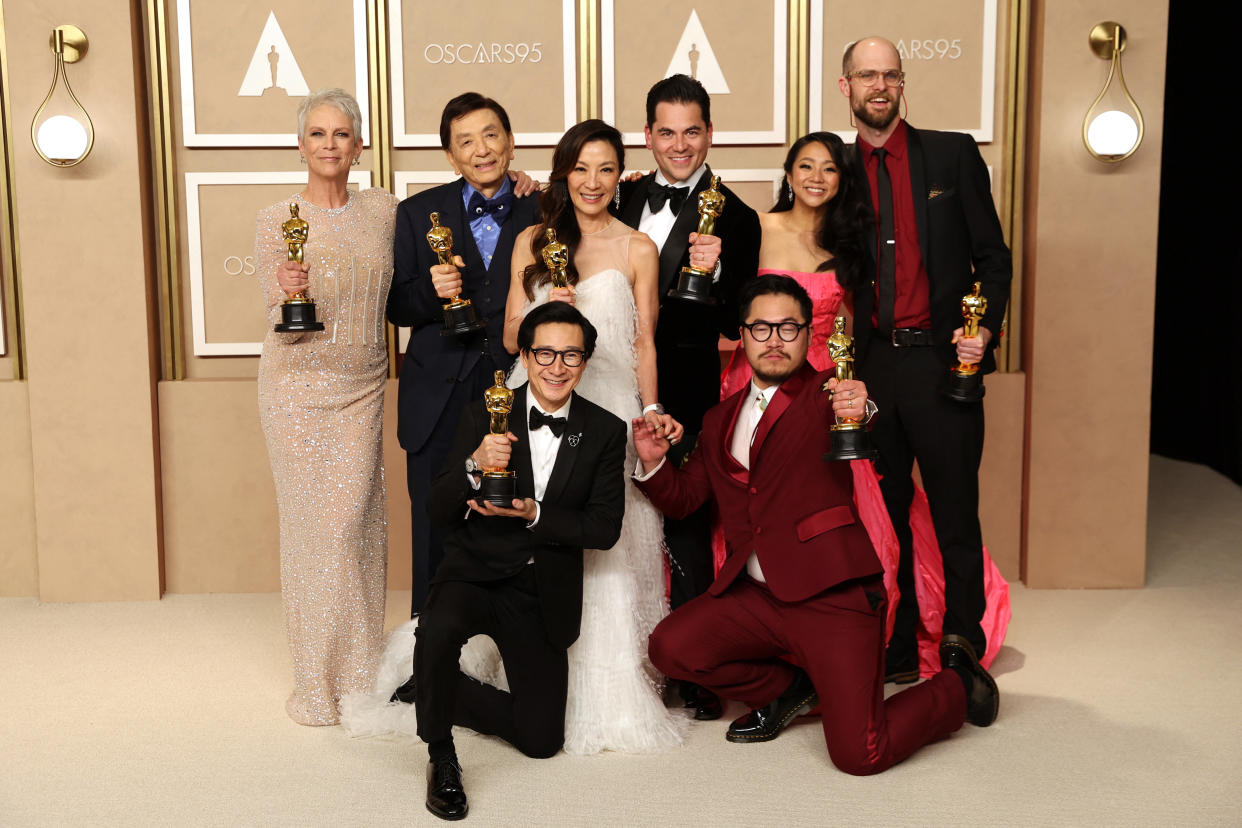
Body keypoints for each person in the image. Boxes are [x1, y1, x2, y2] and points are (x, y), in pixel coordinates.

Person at [634, 274, 999, 776]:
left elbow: (859, 414)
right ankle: (791, 689)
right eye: (761, 328)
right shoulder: (718, 419)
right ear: (741, 334)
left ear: (810, 335)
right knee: (671, 647)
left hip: (835, 599)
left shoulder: (827, 394)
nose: (775, 340)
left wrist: (861, 407)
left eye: (789, 327)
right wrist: (653, 463)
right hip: (757, 600)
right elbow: (685, 501)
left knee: (860, 756)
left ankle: (960, 687)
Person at [488, 119, 686, 755]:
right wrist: (552, 313)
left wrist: (651, 409)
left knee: (607, 543)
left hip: (609, 405)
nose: (592, 183)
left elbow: (644, 340)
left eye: (606, 170)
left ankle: (608, 684)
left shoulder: (637, 249)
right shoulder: (532, 242)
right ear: (563, 174)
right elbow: (508, 334)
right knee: (535, 531)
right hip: (540, 394)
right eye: (580, 169)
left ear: (619, 175)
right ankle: (532, 669)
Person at [838, 37, 1012, 679]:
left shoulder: (951, 152)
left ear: (901, 83)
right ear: (845, 86)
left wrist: (985, 329)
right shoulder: (832, 166)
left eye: (890, 75)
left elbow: (994, 259)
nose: (878, 86)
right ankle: (899, 646)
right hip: (871, 369)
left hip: (943, 366)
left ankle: (964, 647)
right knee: (885, 519)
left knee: (953, 512)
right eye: (866, 75)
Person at [415, 301, 627, 820]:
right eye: (545, 353)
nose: (557, 367)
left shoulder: (604, 430)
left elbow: (603, 529)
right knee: (437, 632)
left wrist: (537, 513)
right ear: (526, 357)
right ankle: (440, 751)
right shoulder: (486, 410)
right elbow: (439, 508)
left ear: (585, 361)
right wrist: (473, 465)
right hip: (474, 570)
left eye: (571, 355)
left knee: (541, 741)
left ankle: (437, 688)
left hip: (539, 588)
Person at [617, 74, 761, 720]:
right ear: (647, 135)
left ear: (710, 134)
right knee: (608, 521)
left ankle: (697, 666)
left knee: (687, 528)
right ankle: (616, 659)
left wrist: (721, 266)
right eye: (666, 132)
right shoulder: (615, 197)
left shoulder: (738, 216)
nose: (679, 146)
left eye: (692, 132)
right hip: (605, 380)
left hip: (685, 391)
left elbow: (738, 323)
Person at [256, 88, 397, 726]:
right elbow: (274, 307)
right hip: (294, 389)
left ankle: (360, 671)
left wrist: (529, 184)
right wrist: (283, 287)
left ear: (359, 145)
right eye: (318, 134)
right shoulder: (273, 220)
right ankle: (315, 676)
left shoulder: (387, 211)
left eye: (342, 134)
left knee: (354, 526)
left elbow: (454, 217)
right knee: (314, 531)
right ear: (301, 145)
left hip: (363, 388)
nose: (330, 145)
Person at [387, 93, 540, 618]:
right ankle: (426, 656)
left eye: (491, 134)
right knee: (433, 521)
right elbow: (397, 306)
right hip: (436, 393)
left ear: (511, 141)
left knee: (510, 517)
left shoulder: (545, 207)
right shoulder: (414, 214)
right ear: (451, 157)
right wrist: (433, 290)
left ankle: (503, 655)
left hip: (516, 383)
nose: (481, 150)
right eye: (466, 142)